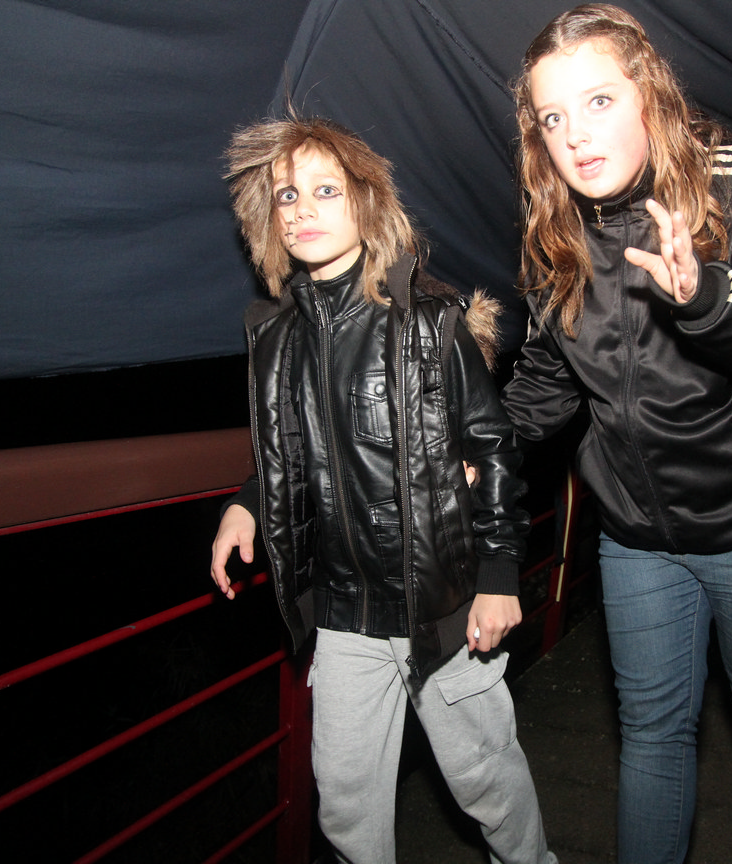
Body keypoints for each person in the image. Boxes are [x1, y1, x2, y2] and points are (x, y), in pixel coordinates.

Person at [501, 6, 732, 864]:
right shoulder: (555, 234)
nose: (576, 136)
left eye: (599, 101)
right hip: (637, 533)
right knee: (652, 727)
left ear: (650, 95)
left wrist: (708, 301)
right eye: (552, 117)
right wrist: (481, 453)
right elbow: (546, 378)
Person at [209, 116, 555, 864]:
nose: (301, 209)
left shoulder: (428, 321)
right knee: (345, 803)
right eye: (286, 195)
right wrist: (247, 501)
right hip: (343, 613)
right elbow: (292, 448)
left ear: (366, 202)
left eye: (325, 190)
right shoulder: (275, 337)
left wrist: (499, 576)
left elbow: (492, 448)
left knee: (488, 783)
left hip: (444, 606)